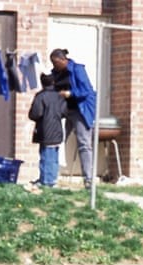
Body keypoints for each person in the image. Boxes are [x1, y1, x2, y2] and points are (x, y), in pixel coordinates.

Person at [49, 48, 97, 189]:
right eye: (52, 63)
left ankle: (88, 179)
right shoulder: (55, 73)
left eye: (56, 62)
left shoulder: (77, 70)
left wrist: (69, 94)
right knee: (55, 139)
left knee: (84, 143)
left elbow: (87, 90)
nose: (54, 65)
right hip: (64, 109)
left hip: (79, 110)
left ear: (64, 60)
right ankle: (52, 176)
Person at [28, 73, 66, 189]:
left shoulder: (41, 96)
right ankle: (52, 179)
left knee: (45, 157)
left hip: (45, 130)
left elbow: (35, 113)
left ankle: (45, 181)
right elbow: (64, 112)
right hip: (57, 130)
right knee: (54, 157)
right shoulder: (60, 96)